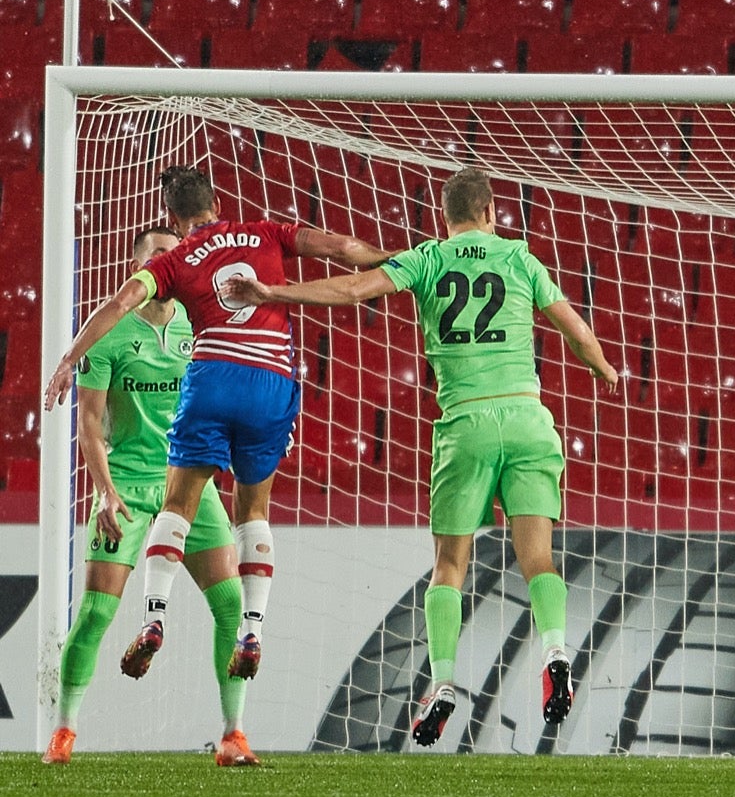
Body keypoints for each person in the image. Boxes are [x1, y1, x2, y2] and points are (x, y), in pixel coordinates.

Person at [223, 166, 619, 747]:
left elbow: (353, 289)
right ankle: (556, 651)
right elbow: (576, 331)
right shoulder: (519, 258)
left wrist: (274, 292)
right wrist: (604, 369)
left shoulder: (428, 259)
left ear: (445, 216)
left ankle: (444, 685)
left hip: (466, 425)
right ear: (490, 212)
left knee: (450, 566)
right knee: (539, 560)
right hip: (529, 419)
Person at [45, 165, 393, 689]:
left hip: (211, 379)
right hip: (270, 381)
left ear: (172, 216)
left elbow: (120, 303)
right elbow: (342, 248)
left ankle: (154, 618)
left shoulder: (176, 258)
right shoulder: (267, 231)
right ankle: (252, 630)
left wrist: (70, 358)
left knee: (177, 504)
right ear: (216, 201)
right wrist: (401, 261)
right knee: (252, 511)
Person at [42, 227, 257, 766]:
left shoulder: (199, 323)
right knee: (94, 612)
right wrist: (105, 493)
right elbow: (89, 423)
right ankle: (63, 733)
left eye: (173, 254)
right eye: (157, 256)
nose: (167, 262)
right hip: (128, 487)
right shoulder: (110, 334)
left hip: (190, 483)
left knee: (232, 605)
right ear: (138, 267)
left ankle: (232, 736)